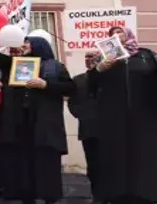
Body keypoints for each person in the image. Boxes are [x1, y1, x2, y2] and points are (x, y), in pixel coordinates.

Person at [0, 35, 75, 204]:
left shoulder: (56, 67)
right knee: (23, 165)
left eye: (28, 43)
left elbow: (69, 88)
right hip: (21, 124)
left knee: (46, 164)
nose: (24, 46)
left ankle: (49, 198)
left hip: (44, 124)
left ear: (39, 46)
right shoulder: (17, 63)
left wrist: (45, 85)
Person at [88, 26, 157, 204]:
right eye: (112, 34)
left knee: (144, 153)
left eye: (120, 32)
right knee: (116, 154)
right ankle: (116, 195)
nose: (116, 35)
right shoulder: (102, 57)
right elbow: (90, 86)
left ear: (128, 35)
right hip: (113, 116)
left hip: (143, 115)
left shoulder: (146, 56)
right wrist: (98, 69)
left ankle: (146, 194)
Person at [68, 51, 103, 203]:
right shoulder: (78, 80)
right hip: (88, 128)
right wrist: (81, 114)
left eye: (92, 58)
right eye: (86, 58)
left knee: (108, 164)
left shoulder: (107, 79)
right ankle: (97, 195)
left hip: (108, 128)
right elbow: (72, 102)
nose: (89, 60)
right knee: (93, 164)